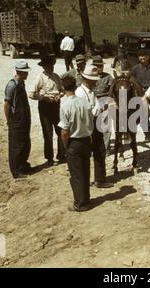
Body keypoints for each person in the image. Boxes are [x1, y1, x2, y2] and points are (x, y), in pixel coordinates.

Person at [59, 76, 94, 212]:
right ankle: (86, 198)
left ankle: (80, 203)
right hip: (86, 138)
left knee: (76, 173)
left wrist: (65, 145)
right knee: (85, 171)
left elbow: (64, 130)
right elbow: (91, 120)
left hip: (74, 141)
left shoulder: (65, 105)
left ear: (63, 87)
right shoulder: (84, 102)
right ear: (75, 86)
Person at [76, 65, 114, 189]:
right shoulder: (80, 93)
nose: (96, 82)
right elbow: (89, 112)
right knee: (85, 155)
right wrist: (97, 109)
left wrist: (97, 109)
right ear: (87, 79)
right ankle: (84, 181)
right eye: (94, 80)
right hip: (85, 127)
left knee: (100, 150)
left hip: (94, 125)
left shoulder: (91, 92)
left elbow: (97, 107)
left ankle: (100, 179)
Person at [29, 55, 65, 166]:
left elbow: (62, 90)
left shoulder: (56, 77)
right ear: (44, 67)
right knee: (47, 133)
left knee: (60, 130)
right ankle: (49, 158)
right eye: (49, 66)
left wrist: (60, 95)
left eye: (52, 65)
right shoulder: (39, 78)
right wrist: (44, 98)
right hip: (45, 107)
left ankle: (61, 155)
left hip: (56, 106)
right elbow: (31, 94)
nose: (51, 68)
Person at [4, 60, 32, 180]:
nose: (27, 74)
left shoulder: (21, 83)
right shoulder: (12, 85)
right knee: (16, 146)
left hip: (24, 118)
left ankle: (23, 165)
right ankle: (16, 171)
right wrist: (9, 119)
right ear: (18, 71)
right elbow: (7, 104)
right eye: (25, 72)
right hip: (16, 120)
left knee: (25, 143)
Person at [130, 51, 150, 142]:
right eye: (140, 56)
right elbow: (130, 78)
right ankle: (148, 136)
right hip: (141, 94)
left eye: (144, 55)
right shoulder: (135, 68)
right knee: (143, 116)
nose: (142, 57)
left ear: (148, 56)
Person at [92, 55, 115, 154]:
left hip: (105, 101)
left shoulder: (108, 77)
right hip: (93, 102)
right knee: (92, 126)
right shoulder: (90, 76)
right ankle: (94, 147)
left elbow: (113, 90)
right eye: (97, 66)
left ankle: (106, 148)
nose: (99, 68)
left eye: (101, 66)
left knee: (105, 127)